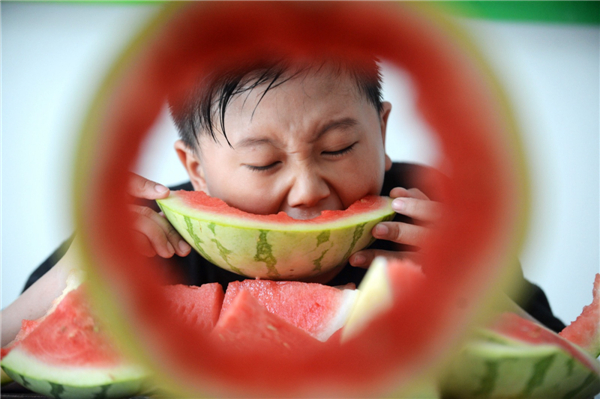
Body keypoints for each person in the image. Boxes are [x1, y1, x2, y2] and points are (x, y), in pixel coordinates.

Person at [1, 57, 564, 348]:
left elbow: (561, 363)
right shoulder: (143, 238)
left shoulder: (434, 214)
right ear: (195, 169)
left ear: (384, 132)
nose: (307, 190)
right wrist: (71, 279)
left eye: (338, 148)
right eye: (264, 162)